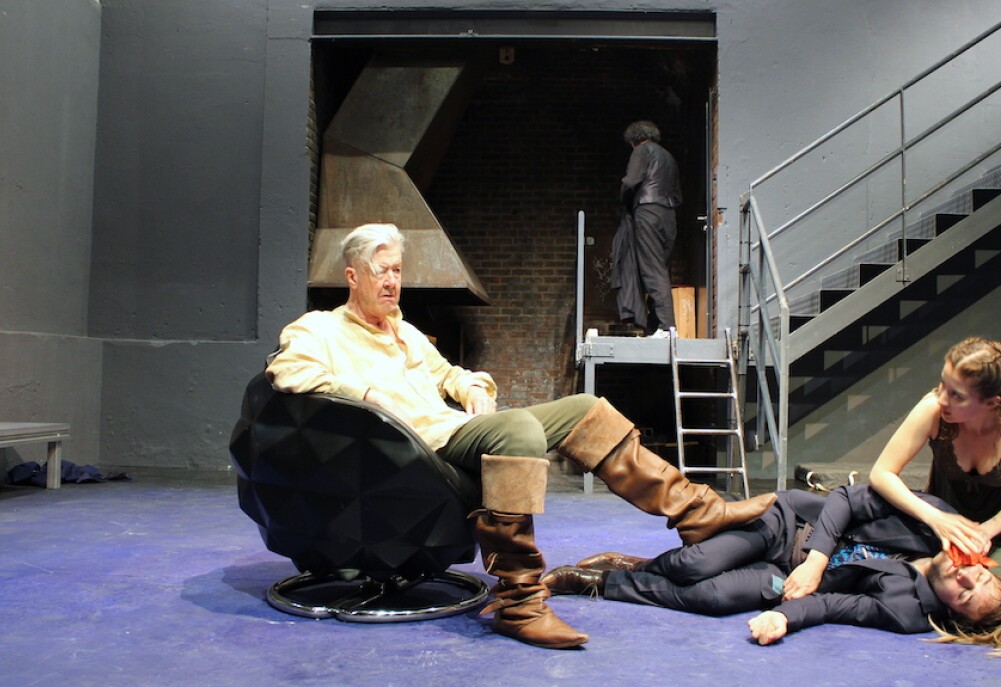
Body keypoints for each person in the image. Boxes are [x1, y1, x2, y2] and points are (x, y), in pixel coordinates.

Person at [264, 222, 777, 650]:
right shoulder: (320, 329)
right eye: (382, 271)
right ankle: (519, 603)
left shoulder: (406, 332)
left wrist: (472, 387)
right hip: (414, 447)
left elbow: (451, 374)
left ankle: (697, 512)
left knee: (586, 409)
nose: (393, 281)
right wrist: (365, 393)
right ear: (352, 276)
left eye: (398, 270)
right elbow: (286, 370)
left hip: (452, 430)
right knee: (519, 431)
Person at [544, 484, 1001, 657]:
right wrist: (819, 557)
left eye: (966, 595)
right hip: (790, 525)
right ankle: (639, 563)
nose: (965, 578)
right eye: (980, 576)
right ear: (986, 564)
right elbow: (844, 499)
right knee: (695, 563)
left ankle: (600, 581)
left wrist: (784, 616)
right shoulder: (935, 519)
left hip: (789, 577)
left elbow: (835, 606)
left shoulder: (908, 610)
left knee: (711, 598)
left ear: (953, 614)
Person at [867, 337, 1001, 623]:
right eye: (943, 384)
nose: (942, 398)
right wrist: (936, 518)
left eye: (957, 395)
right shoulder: (933, 409)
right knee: (898, 585)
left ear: (992, 403)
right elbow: (882, 473)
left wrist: (985, 532)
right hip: (944, 522)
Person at [614, 120, 682, 338]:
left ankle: (666, 327)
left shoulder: (642, 151)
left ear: (633, 140)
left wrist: (623, 199)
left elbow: (631, 181)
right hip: (668, 215)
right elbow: (678, 194)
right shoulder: (669, 158)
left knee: (652, 270)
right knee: (660, 268)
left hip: (648, 210)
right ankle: (656, 325)